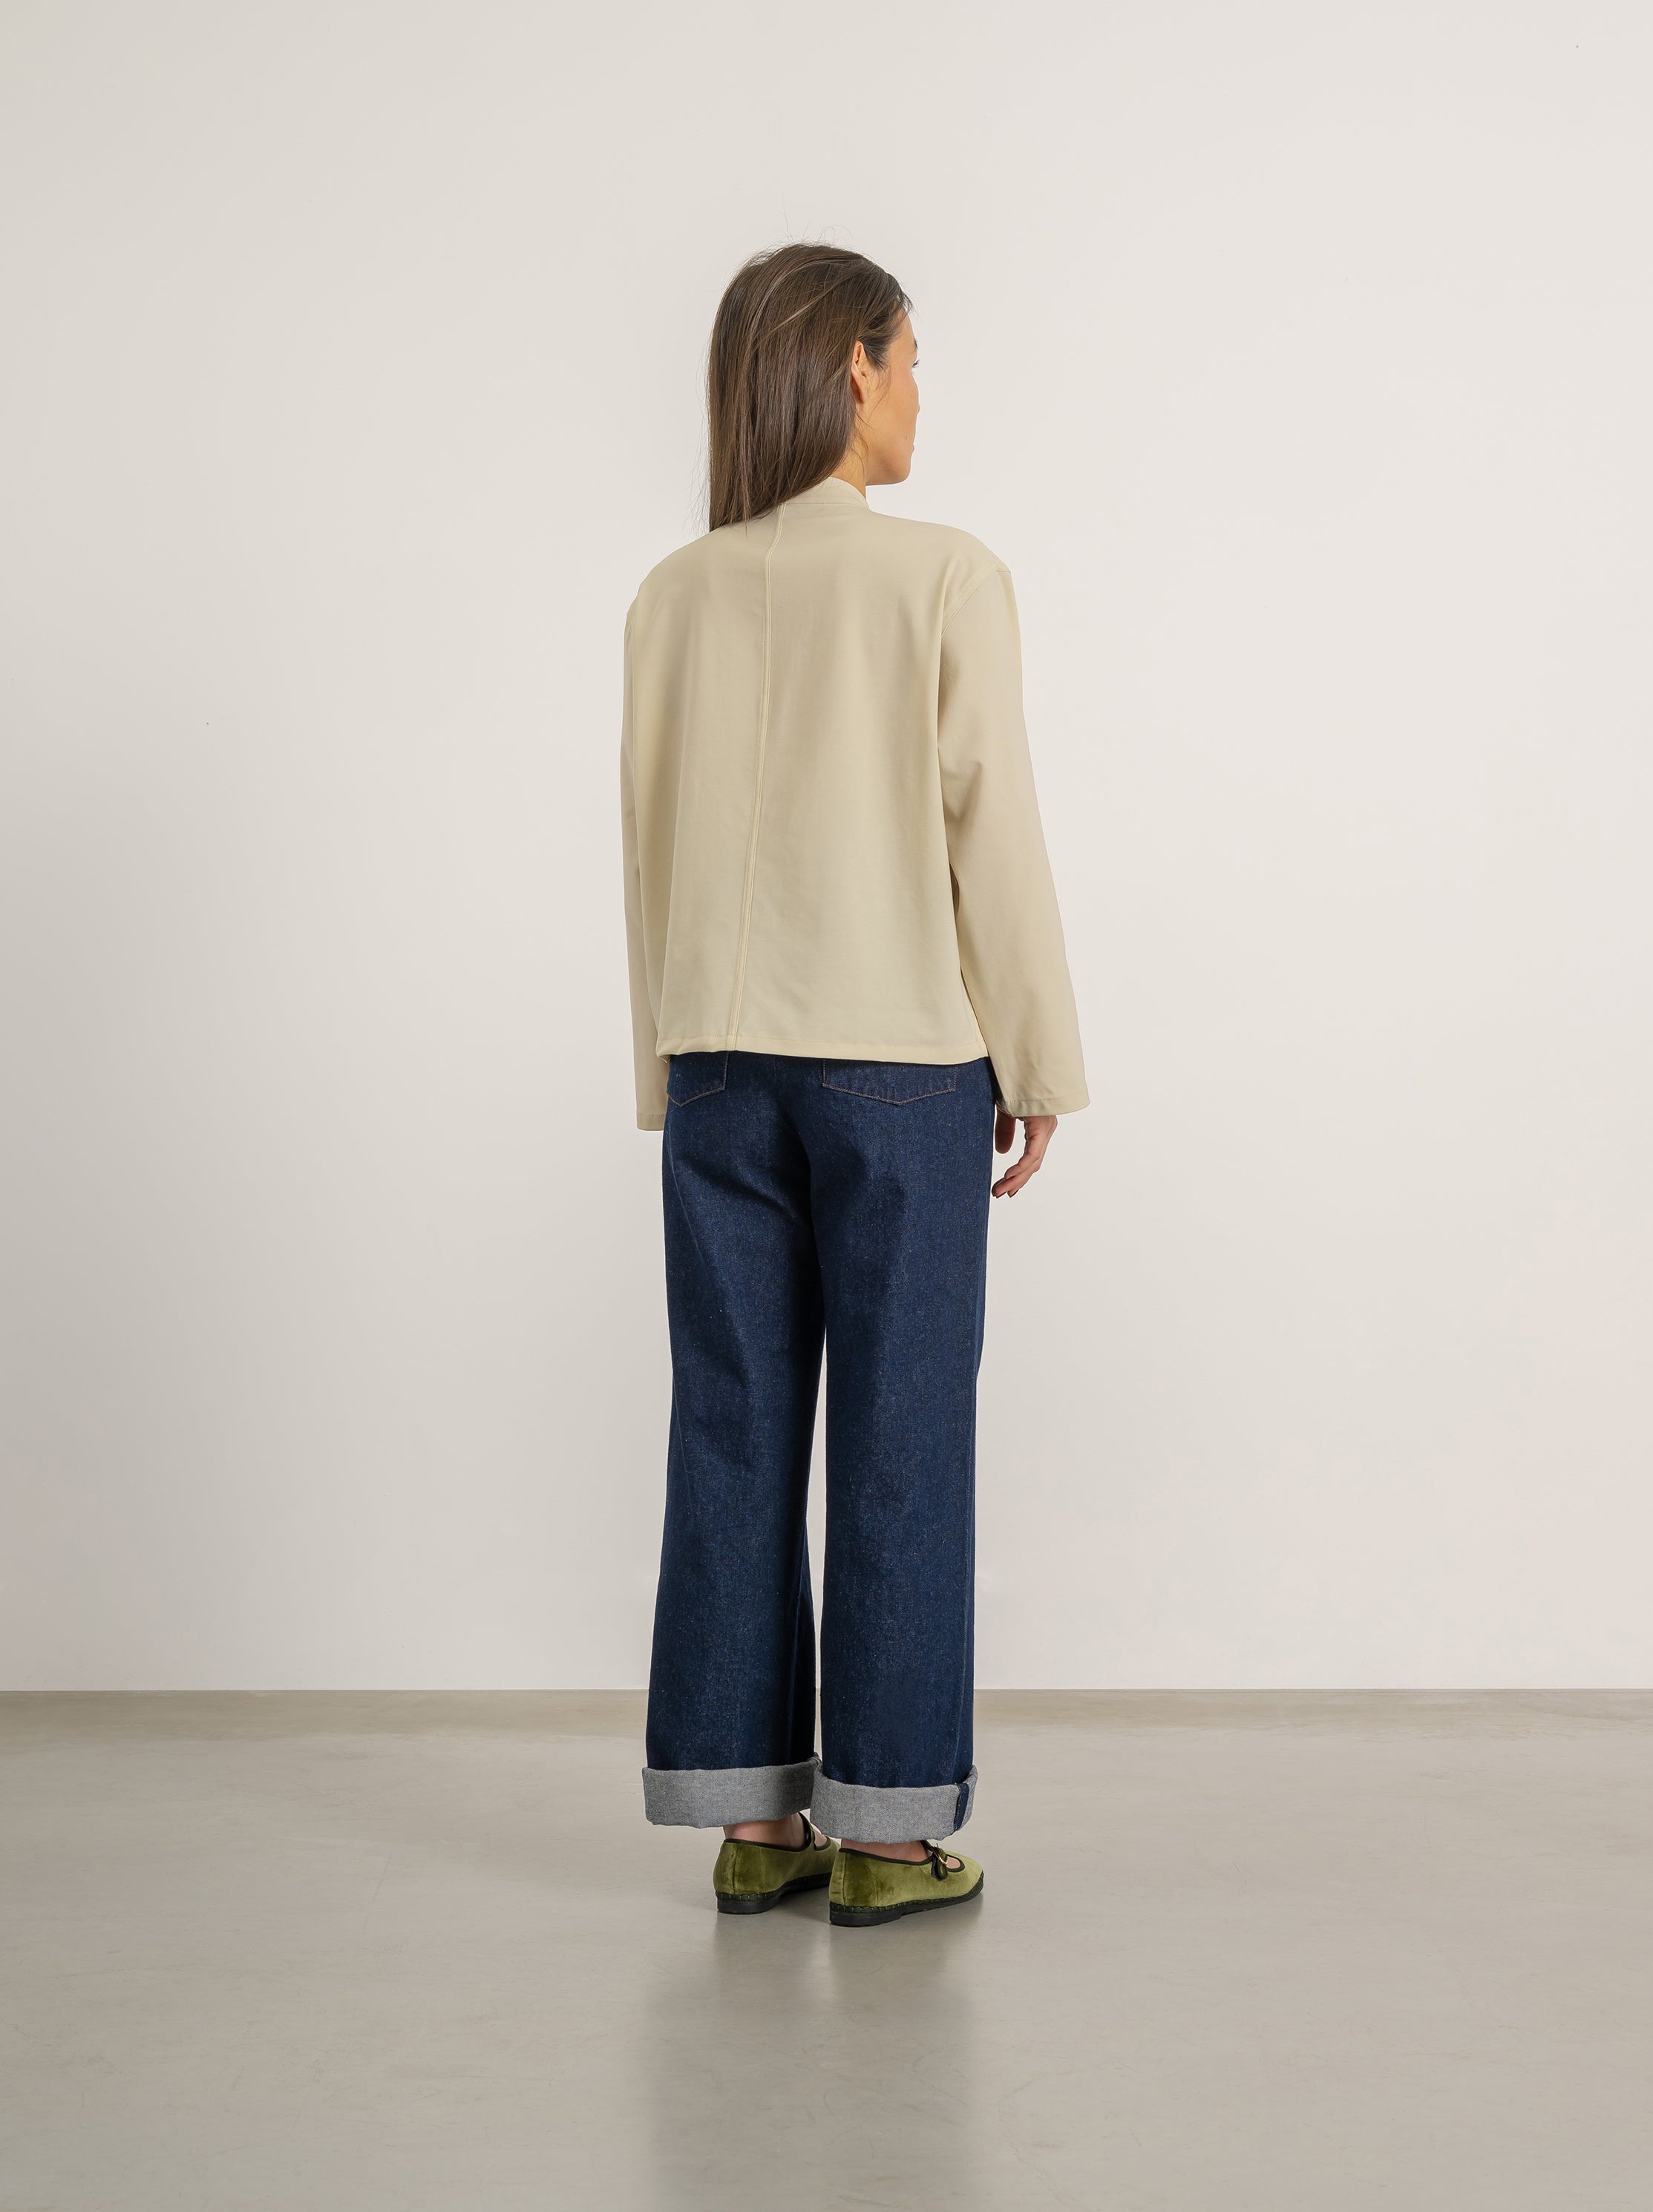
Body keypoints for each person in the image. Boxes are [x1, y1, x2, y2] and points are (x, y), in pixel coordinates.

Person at [618, 243, 1087, 1927]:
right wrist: (1037, 1052)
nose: (919, 392)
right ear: (853, 370)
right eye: (910, 359)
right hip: (901, 1063)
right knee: (900, 1433)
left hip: (720, 1061)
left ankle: (756, 1820)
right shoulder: (942, 575)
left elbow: (647, 842)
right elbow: (990, 827)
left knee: (733, 1425)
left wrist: (668, 1067)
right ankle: (887, 1838)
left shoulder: (674, 593)